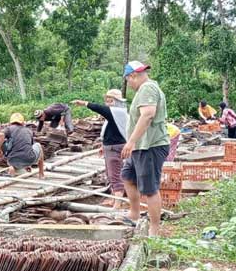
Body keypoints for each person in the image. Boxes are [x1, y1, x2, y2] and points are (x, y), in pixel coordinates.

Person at [120, 61, 170, 236]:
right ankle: (134, 214)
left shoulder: (147, 88)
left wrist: (132, 141)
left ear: (131, 76)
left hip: (150, 146)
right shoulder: (145, 89)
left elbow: (148, 114)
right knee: (127, 176)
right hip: (140, 147)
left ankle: (154, 229)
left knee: (149, 188)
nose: (130, 84)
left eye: (129, 81)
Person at [71, 89, 128, 206]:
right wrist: (103, 145)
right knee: (111, 174)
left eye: (111, 100)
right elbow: (109, 130)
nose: (108, 103)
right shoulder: (113, 114)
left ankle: (117, 205)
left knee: (115, 176)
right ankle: (113, 199)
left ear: (117, 101)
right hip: (110, 147)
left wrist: (84, 103)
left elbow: (100, 109)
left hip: (115, 147)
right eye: (107, 100)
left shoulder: (118, 112)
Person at [0, 113, 45, 178]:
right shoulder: (28, 131)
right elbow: (27, 147)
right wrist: (27, 164)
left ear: (11, 122)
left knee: (6, 143)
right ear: (22, 123)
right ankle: (41, 174)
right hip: (29, 159)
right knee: (38, 145)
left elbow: (1, 135)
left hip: (12, 160)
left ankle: (12, 167)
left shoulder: (9, 129)